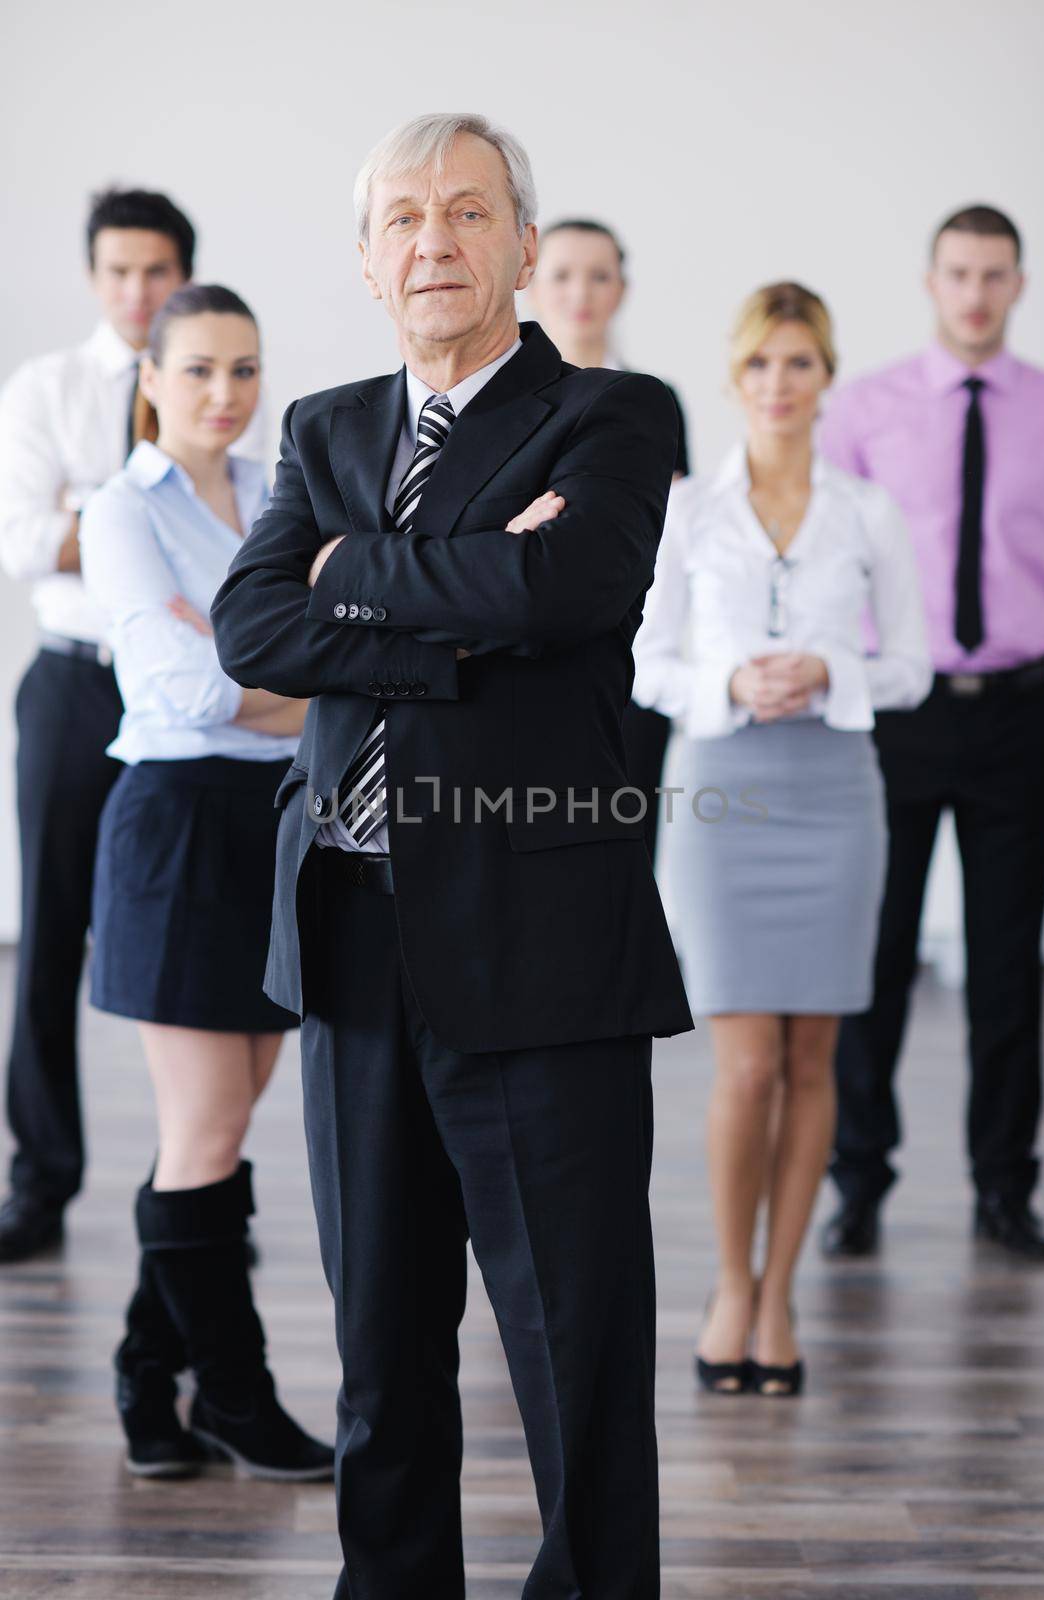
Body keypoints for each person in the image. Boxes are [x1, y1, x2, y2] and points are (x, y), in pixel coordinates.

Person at [212, 113, 693, 1597]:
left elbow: (563, 590)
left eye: (467, 214)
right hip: (350, 939)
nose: (435, 242)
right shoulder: (323, 428)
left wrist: (352, 579)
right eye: (404, 220)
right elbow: (250, 630)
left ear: (522, 248)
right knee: (379, 1347)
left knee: (574, 1353)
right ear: (366, 262)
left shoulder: (608, 415)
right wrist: (447, 623)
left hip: (536, 942)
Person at [633, 283, 930, 1397]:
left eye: (798, 363)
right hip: (722, 793)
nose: (777, 384)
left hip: (833, 794)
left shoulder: (867, 512)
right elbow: (644, 665)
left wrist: (826, 671)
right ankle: (727, 1284)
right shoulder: (685, 513)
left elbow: (910, 666)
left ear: (825, 376)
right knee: (746, 1060)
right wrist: (726, 679)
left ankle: (779, 1291)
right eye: (759, 364)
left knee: (814, 1061)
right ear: (732, 377)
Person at [79, 284, 331, 1482]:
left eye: (243, 370)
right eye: (197, 372)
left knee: (213, 1141)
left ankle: (147, 1376)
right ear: (152, 379)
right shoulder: (121, 509)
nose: (224, 394)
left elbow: (325, 651)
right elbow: (186, 689)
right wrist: (300, 681)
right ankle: (234, 1393)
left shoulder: (285, 501)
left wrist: (275, 668)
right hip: (176, 825)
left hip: (275, 824)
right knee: (207, 1129)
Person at [0, 187, 259, 1263]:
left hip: (208, 731)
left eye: (156, 271)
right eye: (118, 272)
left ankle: (200, 1184)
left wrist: (116, 532)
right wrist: (131, 547)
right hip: (80, 681)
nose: (137, 290)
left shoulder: (246, 463)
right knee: (51, 932)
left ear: (180, 275)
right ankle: (42, 1177)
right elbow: (21, 542)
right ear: (95, 276)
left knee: (205, 963)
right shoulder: (50, 388)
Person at [820, 205, 1044, 1266]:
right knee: (872, 960)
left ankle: (1002, 1190)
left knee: (1005, 968)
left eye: (993, 275)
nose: (974, 293)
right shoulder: (864, 411)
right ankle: (858, 1181)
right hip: (896, 713)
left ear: (1016, 284)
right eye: (957, 273)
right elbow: (828, 566)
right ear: (930, 282)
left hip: (1016, 710)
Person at [527, 217, 690, 861]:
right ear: (532, 284)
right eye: (562, 274)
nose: (580, 292)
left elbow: (673, 534)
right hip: (529, 658)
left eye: (600, 275)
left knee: (625, 844)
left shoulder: (655, 402)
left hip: (635, 657)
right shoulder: (499, 406)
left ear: (621, 288)